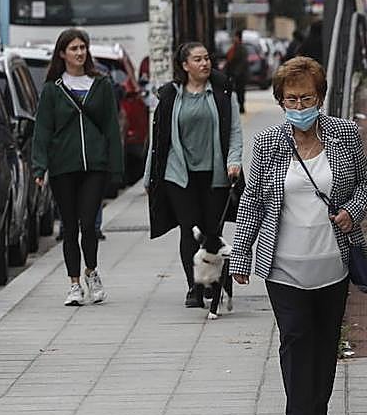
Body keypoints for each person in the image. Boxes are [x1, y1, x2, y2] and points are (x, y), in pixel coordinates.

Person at [230, 57, 367, 415]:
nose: (299, 106)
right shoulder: (268, 143)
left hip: (332, 260)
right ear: (281, 101)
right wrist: (241, 255)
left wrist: (352, 211)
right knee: (294, 336)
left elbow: (364, 184)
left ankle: (319, 414)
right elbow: (253, 200)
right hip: (284, 263)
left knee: (325, 338)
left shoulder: (344, 134)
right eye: (291, 99)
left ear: (320, 97)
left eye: (306, 98)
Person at [143, 42, 243, 307]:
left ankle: (214, 281)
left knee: (212, 230)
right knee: (189, 229)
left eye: (206, 58)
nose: (204, 63)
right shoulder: (170, 96)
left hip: (215, 173)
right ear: (185, 65)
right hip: (179, 174)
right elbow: (158, 139)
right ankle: (194, 287)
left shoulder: (223, 91)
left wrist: (234, 161)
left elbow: (234, 130)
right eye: (197, 59)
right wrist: (149, 176)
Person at [32, 28, 124, 306]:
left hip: (95, 166)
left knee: (89, 223)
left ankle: (91, 272)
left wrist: (116, 166)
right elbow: (43, 129)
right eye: (73, 48)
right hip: (63, 166)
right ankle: (74, 284)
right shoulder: (53, 89)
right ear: (62, 53)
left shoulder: (101, 84)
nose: (79, 53)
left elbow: (111, 126)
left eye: (83, 47)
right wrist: (39, 167)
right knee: (69, 227)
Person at [225, 29, 248, 115]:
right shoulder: (233, 48)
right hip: (234, 74)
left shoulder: (241, 48)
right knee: (235, 91)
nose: (233, 38)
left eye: (235, 37)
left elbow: (242, 62)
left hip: (240, 75)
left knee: (240, 91)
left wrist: (236, 73)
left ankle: (241, 106)